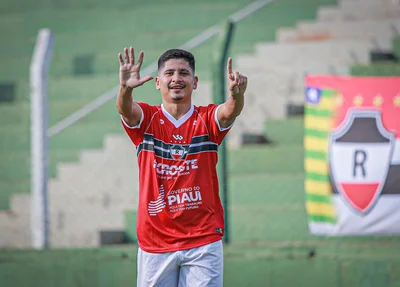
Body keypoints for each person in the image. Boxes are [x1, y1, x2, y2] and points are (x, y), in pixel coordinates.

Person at [116, 46, 247, 287]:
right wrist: (125, 88)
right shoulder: (147, 119)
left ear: (195, 82)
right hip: (155, 241)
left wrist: (237, 95)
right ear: (158, 82)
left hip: (202, 240)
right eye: (170, 73)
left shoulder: (206, 119)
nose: (176, 79)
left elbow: (229, 113)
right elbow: (126, 110)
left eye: (184, 73)